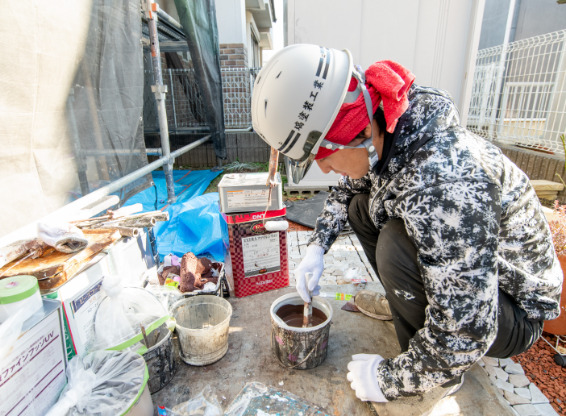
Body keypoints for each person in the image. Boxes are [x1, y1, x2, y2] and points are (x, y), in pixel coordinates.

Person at [251, 44, 563, 402]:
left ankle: (439, 377)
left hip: (508, 310)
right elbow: (348, 189)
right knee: (360, 207)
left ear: (358, 131)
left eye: (323, 154)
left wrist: (389, 380)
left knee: (396, 244)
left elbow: (469, 329)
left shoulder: (445, 182)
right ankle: (409, 305)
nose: (322, 168)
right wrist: (318, 247)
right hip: (473, 287)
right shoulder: (391, 131)